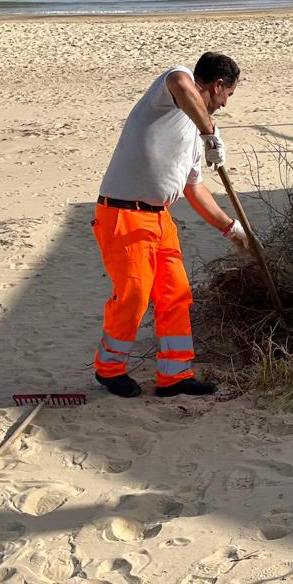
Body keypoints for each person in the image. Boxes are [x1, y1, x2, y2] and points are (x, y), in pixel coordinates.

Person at [91, 51, 249, 399]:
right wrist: (211, 133)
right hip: (123, 215)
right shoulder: (174, 87)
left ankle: (175, 376)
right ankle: (109, 369)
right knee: (133, 295)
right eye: (228, 96)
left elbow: (194, 189)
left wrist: (232, 229)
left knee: (175, 295)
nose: (224, 104)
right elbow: (181, 84)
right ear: (218, 85)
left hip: (161, 220)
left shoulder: (193, 136)